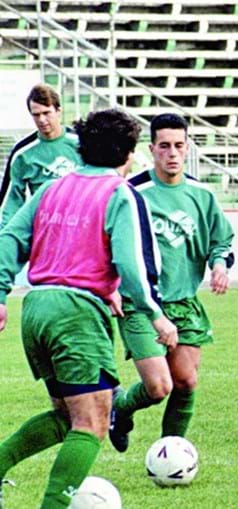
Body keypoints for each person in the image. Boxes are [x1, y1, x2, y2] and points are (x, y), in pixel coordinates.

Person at [0, 108, 178, 509]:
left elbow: (9, 238)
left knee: (67, 415)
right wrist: (156, 315)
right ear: (128, 153)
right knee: (94, 421)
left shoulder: (52, 189)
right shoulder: (120, 194)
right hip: (76, 313)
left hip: (37, 307)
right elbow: (135, 266)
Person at [108, 113, 234, 453]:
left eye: (179, 146)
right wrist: (110, 287)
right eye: (164, 146)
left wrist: (220, 265)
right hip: (139, 304)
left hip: (184, 302)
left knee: (186, 381)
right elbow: (106, 242)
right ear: (152, 149)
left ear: (188, 147)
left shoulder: (202, 195)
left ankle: (170, 453)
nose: (172, 153)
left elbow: (221, 242)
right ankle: (119, 409)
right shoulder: (132, 192)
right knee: (157, 386)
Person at [0, 84, 82, 229]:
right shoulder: (23, 153)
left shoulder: (82, 143)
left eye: (46, 113)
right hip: (44, 228)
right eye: (36, 115)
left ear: (58, 111)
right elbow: (11, 201)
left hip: (80, 223)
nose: (42, 120)